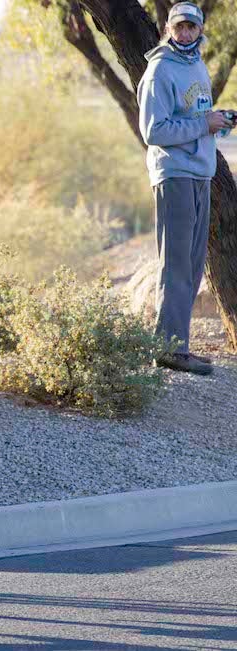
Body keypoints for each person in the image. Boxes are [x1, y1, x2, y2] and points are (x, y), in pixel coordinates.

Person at [138, 1, 231, 376]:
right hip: (174, 174)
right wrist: (202, 125)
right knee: (175, 263)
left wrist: (218, 122)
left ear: (200, 29)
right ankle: (168, 349)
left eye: (192, 27)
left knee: (192, 265)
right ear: (168, 28)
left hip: (199, 173)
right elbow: (154, 131)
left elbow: (194, 117)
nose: (186, 33)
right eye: (180, 27)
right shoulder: (159, 70)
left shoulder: (195, 65)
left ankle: (180, 346)